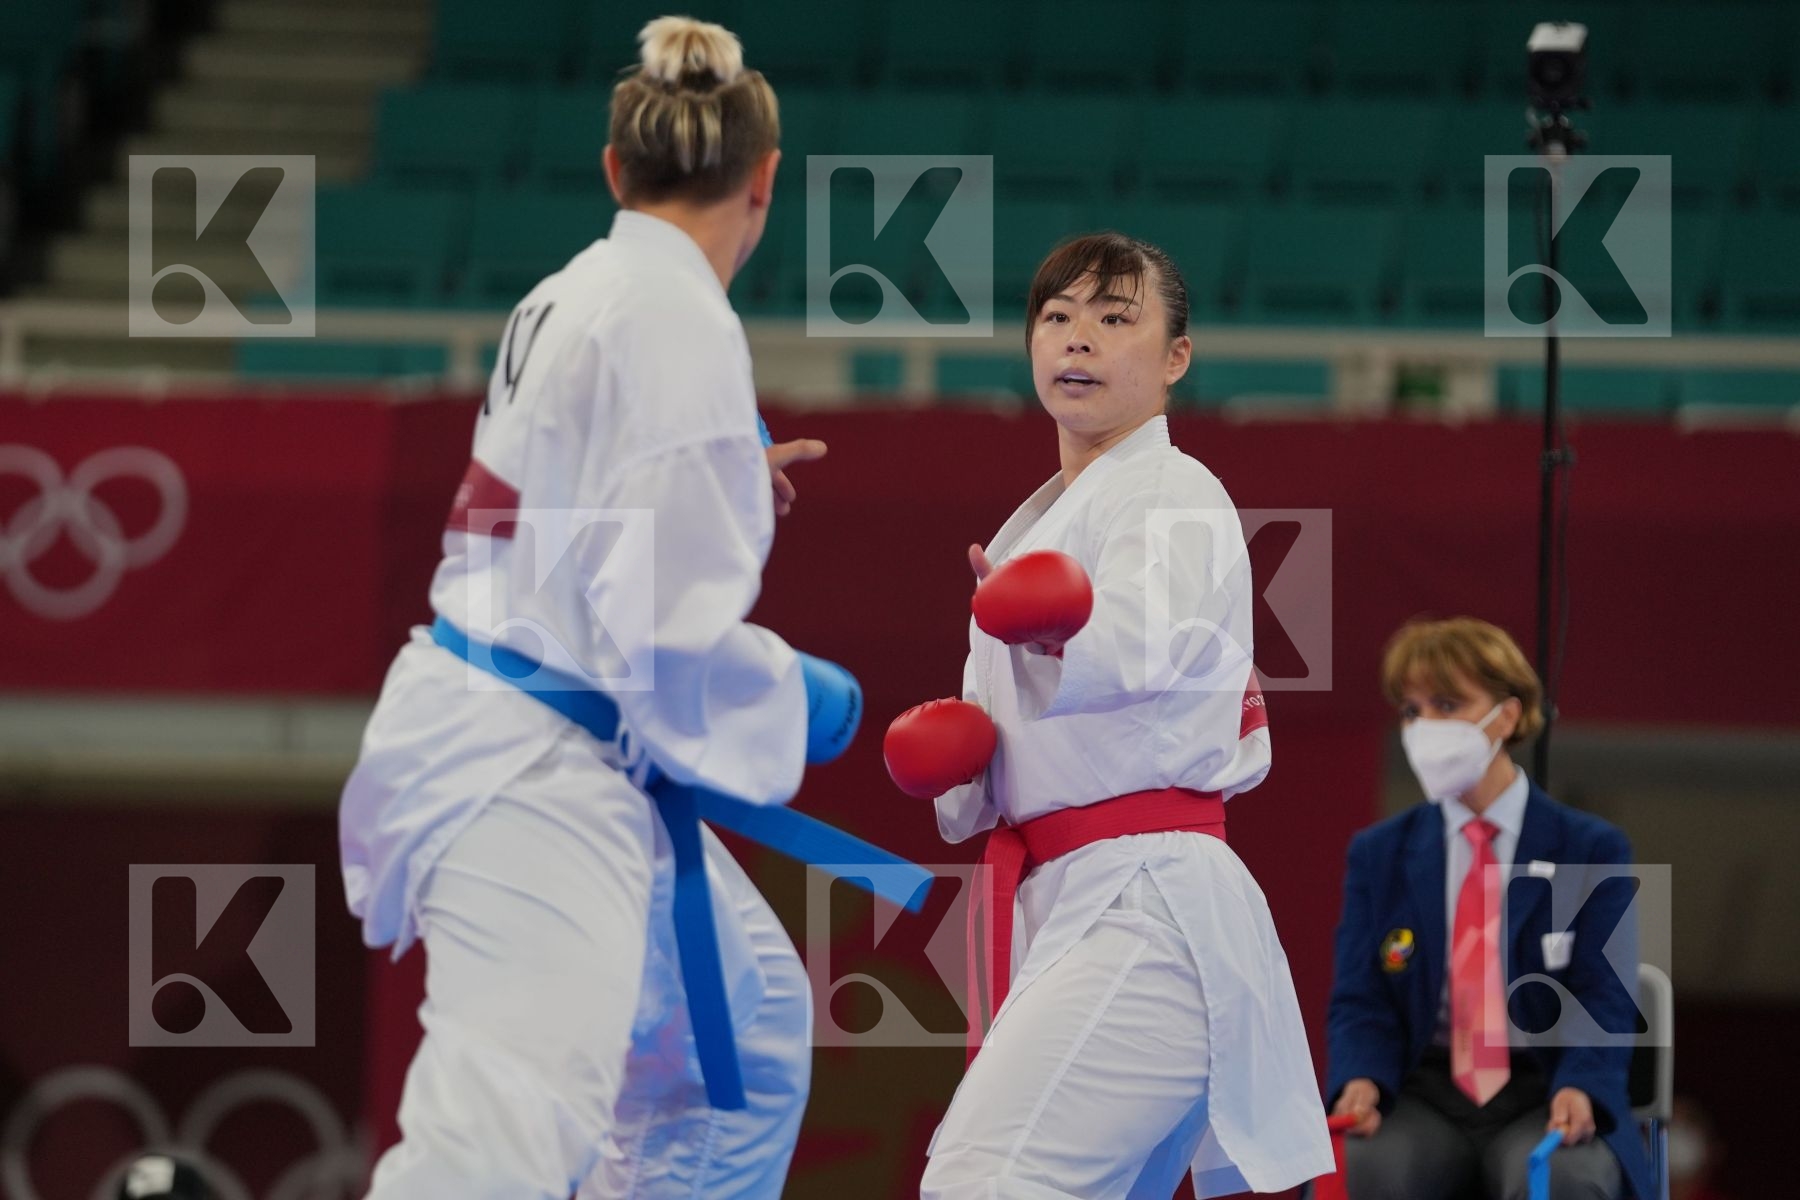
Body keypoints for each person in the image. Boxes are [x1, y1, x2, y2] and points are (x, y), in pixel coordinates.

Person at [338, 18, 849, 1199]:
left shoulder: (575, 290)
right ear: (765, 182)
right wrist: (789, 693)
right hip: (532, 768)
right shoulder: (675, 320)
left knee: (750, 1041)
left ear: (616, 170)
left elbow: (578, 506)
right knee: (498, 1144)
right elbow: (665, 630)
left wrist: (723, 473)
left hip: (546, 731)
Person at [886, 232, 1334, 1199]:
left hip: (1146, 901)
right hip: (1070, 897)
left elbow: (1141, 642)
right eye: (1057, 317)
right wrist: (964, 762)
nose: (1078, 338)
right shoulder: (1032, 534)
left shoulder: (1176, 491)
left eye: (1114, 317)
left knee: (983, 1180)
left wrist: (1052, 631)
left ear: (1176, 358)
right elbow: (1009, 763)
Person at [1326, 617, 1651, 1200]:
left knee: (1565, 1179)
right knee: (1363, 1170)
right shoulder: (1378, 854)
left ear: (1506, 714)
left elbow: (1605, 997)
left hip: (1543, 1090)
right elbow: (1361, 997)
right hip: (1422, 1090)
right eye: (1411, 710)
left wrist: (1583, 1087)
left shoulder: (1594, 847)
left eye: (1446, 704)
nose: (1424, 726)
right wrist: (1362, 1079)